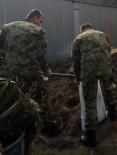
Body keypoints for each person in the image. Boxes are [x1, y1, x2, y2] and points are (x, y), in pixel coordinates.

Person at [0, 9, 51, 155]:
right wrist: (46, 70)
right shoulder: (39, 31)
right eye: (41, 20)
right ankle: (47, 126)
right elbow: (41, 56)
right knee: (41, 98)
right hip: (30, 75)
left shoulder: (7, 27)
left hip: (6, 76)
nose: (41, 23)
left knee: (9, 103)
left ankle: (9, 134)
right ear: (36, 17)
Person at [72, 24, 117, 147]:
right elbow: (109, 51)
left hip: (89, 72)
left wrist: (78, 77)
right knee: (110, 88)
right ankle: (113, 115)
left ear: (82, 30)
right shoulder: (103, 35)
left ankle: (91, 138)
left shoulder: (79, 38)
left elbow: (76, 60)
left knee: (90, 101)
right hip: (106, 67)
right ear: (91, 28)